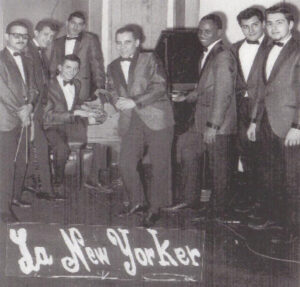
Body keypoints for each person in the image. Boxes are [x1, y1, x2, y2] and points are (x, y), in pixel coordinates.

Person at [105, 24, 174, 227]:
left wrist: (135, 101)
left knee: (160, 166)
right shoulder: (112, 66)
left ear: (137, 43)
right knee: (126, 163)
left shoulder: (149, 59)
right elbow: (110, 90)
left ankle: (155, 209)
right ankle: (138, 202)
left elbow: (160, 86)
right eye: (119, 43)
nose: (122, 47)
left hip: (157, 118)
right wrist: (114, 100)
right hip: (131, 120)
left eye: (127, 42)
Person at [173, 14, 237, 219]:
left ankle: (218, 212)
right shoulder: (209, 53)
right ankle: (190, 201)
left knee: (219, 170)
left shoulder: (223, 55)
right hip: (200, 120)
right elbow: (206, 87)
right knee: (189, 152)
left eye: (207, 31)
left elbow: (223, 93)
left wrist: (213, 125)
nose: (202, 35)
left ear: (219, 32)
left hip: (217, 124)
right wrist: (186, 97)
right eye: (200, 31)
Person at [247, 4, 300, 241]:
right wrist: (254, 121)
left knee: (292, 178)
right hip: (267, 121)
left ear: (291, 24)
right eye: (269, 23)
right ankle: (277, 220)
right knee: (271, 174)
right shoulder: (267, 47)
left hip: (290, 125)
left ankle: (294, 230)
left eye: (279, 22)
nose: (273, 27)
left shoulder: (298, 49)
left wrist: (297, 126)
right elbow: (261, 89)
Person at [231, 7, 271, 215]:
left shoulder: (272, 45)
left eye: (255, 25)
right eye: (245, 27)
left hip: (264, 108)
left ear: (263, 24)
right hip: (241, 107)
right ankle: (251, 199)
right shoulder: (235, 47)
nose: (251, 30)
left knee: (263, 156)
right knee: (245, 153)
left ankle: (264, 205)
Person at [0, 20, 38, 222]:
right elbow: (3, 92)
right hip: (5, 121)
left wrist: (30, 105)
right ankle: (2, 210)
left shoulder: (28, 60)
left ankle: (12, 198)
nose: (21, 39)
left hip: (23, 118)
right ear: (7, 36)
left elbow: (33, 88)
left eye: (25, 36)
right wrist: (21, 111)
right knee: (5, 166)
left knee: (20, 162)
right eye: (17, 35)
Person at [44, 54, 92, 196]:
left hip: (68, 125)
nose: (71, 72)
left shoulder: (77, 84)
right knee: (62, 148)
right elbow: (47, 115)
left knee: (92, 139)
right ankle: (57, 183)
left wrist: (85, 109)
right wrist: (74, 114)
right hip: (51, 126)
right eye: (68, 67)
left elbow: (73, 104)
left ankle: (88, 180)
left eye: (74, 69)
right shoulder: (48, 85)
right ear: (60, 68)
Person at [25, 20, 59, 200]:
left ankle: (34, 185)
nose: (49, 39)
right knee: (40, 146)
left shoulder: (39, 53)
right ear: (36, 33)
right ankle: (44, 188)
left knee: (35, 147)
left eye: (52, 36)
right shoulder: (28, 51)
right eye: (46, 34)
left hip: (38, 109)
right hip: (31, 109)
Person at [50, 11, 105, 102]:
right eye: (73, 23)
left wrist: (100, 89)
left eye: (80, 24)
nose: (76, 27)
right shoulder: (57, 42)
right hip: (61, 88)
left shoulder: (90, 39)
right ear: (67, 23)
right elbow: (53, 68)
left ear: (83, 26)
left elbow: (97, 66)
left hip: (83, 88)